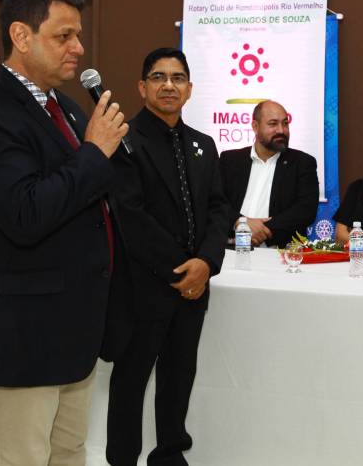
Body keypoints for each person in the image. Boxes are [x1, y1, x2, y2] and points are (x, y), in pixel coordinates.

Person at [0, 0, 128, 465]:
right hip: (21, 332)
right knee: (21, 457)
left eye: (78, 35)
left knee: (67, 453)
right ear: (21, 36)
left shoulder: (65, 108)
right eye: (63, 36)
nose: (78, 48)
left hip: (72, 326)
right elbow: (26, 213)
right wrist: (95, 153)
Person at [104, 47, 228, 466]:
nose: (169, 85)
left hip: (194, 288)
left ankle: (170, 455)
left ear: (189, 89)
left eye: (178, 78)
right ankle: (123, 459)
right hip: (143, 287)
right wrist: (182, 271)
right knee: (130, 380)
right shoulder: (125, 141)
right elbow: (130, 215)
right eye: (158, 77)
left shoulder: (203, 144)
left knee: (179, 377)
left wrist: (206, 263)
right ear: (142, 87)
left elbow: (218, 209)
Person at [219, 100, 319, 248]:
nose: (281, 130)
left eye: (285, 123)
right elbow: (216, 201)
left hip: (279, 251)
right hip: (229, 248)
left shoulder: (302, 163)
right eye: (273, 124)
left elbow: (305, 210)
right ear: (255, 127)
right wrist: (241, 223)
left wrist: (259, 230)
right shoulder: (230, 160)